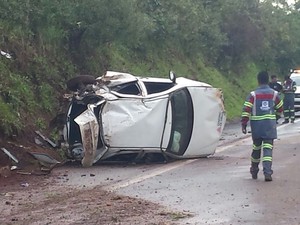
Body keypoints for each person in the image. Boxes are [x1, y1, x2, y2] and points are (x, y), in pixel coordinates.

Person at [241, 71, 283, 182]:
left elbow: (246, 110)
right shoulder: (274, 94)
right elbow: (280, 108)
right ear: (268, 80)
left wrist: (244, 124)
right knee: (268, 150)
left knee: (256, 148)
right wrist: (276, 118)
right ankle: (267, 173)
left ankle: (254, 170)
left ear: (258, 81)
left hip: (257, 127)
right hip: (269, 126)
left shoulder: (253, 95)